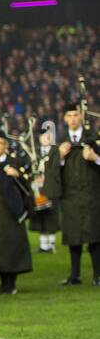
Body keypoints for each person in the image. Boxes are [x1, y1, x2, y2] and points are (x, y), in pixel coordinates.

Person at [43, 102, 100, 286]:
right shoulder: (60, 142)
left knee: (95, 236)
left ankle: (97, 275)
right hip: (70, 196)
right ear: (65, 118)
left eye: (76, 115)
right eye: (70, 115)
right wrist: (59, 156)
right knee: (73, 236)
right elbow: (51, 169)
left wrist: (95, 158)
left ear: (81, 116)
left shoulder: (93, 138)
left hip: (92, 195)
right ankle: (75, 275)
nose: (73, 119)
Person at [0, 130, 33, 295]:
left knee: (12, 248)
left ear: (5, 146)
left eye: (0, 144)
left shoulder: (15, 163)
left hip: (12, 214)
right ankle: (3, 284)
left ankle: (11, 284)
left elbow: (27, 188)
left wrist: (17, 175)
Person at [28, 128, 60, 253]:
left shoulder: (55, 151)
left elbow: (56, 168)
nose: (46, 139)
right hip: (37, 189)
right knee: (40, 215)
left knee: (51, 216)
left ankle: (51, 244)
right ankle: (43, 244)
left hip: (50, 188)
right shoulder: (35, 152)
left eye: (48, 136)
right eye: (43, 136)